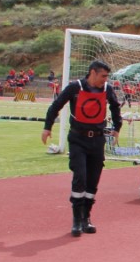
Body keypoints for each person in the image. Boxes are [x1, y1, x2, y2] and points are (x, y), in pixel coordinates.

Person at [41, 60, 124, 237]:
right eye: (103, 76)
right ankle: (76, 220)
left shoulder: (107, 89)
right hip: (78, 139)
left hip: (98, 141)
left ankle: (86, 217)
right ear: (92, 73)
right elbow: (56, 106)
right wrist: (47, 127)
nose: (105, 79)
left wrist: (117, 127)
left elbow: (116, 108)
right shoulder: (75, 88)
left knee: (93, 180)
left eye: (107, 76)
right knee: (80, 177)